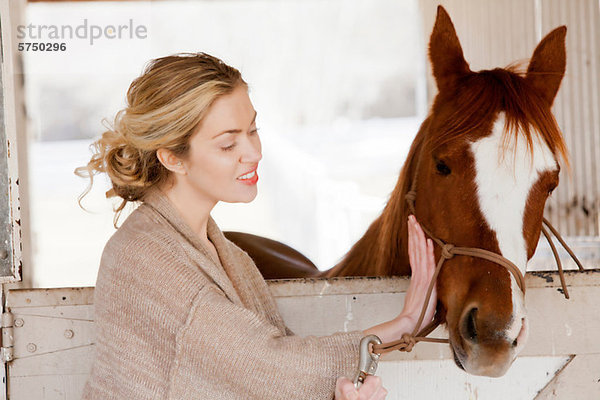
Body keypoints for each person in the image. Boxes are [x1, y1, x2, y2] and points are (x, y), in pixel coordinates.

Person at [75, 52, 437, 400]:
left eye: (253, 130)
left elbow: (265, 370)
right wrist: (404, 324)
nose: (253, 152)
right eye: (228, 143)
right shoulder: (145, 258)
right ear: (172, 157)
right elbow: (274, 370)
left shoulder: (231, 258)